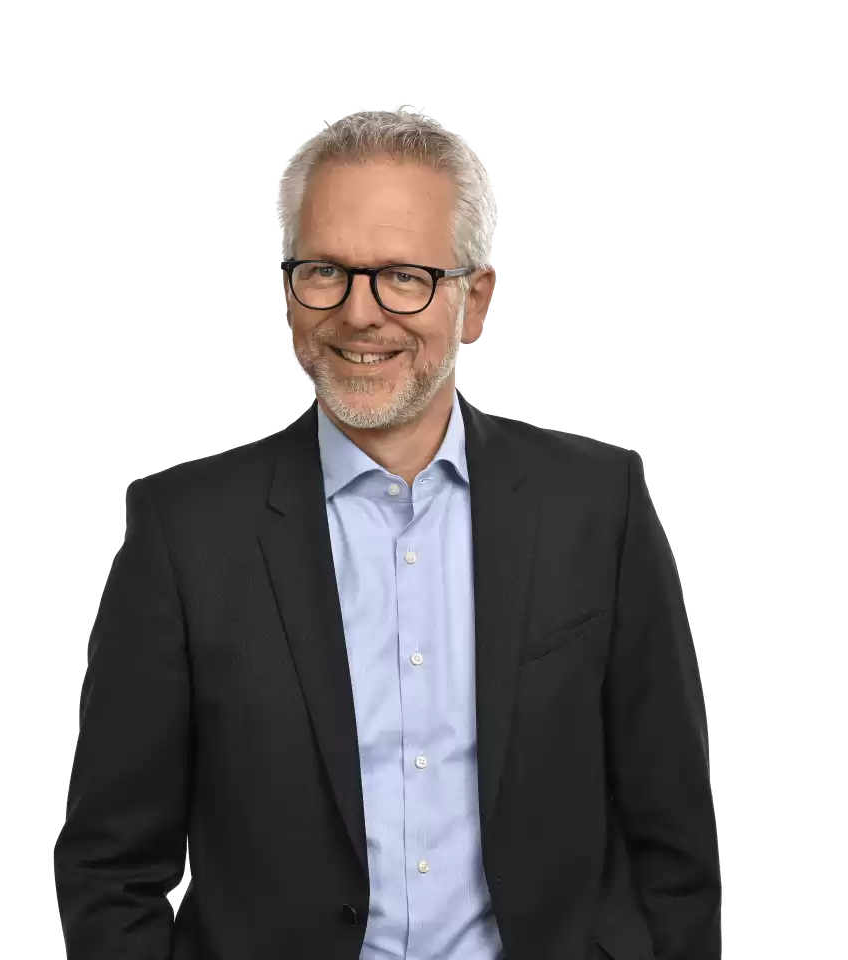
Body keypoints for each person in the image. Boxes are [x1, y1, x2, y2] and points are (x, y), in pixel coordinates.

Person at [53, 104, 720, 959]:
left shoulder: (600, 502)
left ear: (474, 299)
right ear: (289, 286)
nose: (360, 313)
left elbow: (674, 840)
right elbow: (111, 868)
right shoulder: (181, 530)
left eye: (404, 276)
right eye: (325, 270)